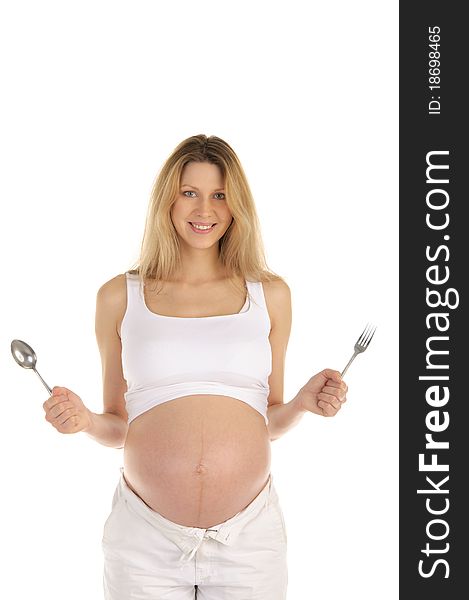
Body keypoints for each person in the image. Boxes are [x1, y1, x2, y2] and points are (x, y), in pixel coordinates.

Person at [42, 134, 348, 600]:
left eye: (219, 195)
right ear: (168, 200)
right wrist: (84, 421)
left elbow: (267, 420)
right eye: (190, 193)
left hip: (249, 540)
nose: (205, 210)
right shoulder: (119, 296)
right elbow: (119, 427)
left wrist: (304, 403)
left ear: (236, 205)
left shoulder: (271, 295)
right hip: (144, 539)